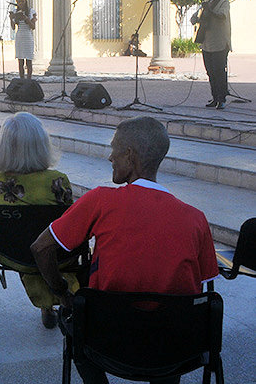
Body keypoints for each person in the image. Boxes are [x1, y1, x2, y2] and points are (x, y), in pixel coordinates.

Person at [31, 116, 219, 384]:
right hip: (176, 350)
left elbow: (40, 248)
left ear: (130, 156)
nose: (110, 157)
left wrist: (61, 291)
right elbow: (200, 290)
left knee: (74, 320)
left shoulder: (100, 200)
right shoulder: (197, 219)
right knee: (171, 321)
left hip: (106, 344)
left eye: (114, 149)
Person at [0, 112, 75, 329]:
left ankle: (46, 304)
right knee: (50, 239)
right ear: (41, 145)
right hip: (58, 255)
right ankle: (60, 300)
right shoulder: (58, 180)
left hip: (11, 253)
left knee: (23, 233)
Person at [191, 0, 231, 109]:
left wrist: (208, 9)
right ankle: (214, 97)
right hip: (207, 43)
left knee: (219, 72)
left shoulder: (223, 2)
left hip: (219, 43)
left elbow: (221, 16)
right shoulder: (206, 4)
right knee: (210, 72)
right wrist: (196, 17)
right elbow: (201, 18)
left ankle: (222, 98)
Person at [10, 0, 36, 79]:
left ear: (25, 2)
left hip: (28, 37)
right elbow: (13, 28)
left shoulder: (31, 11)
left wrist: (26, 19)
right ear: (17, 2)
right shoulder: (15, 11)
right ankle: (22, 80)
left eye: (22, 1)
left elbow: (33, 27)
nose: (21, 3)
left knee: (29, 61)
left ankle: (29, 80)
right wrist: (11, 18)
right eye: (19, 1)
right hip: (20, 37)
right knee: (20, 61)